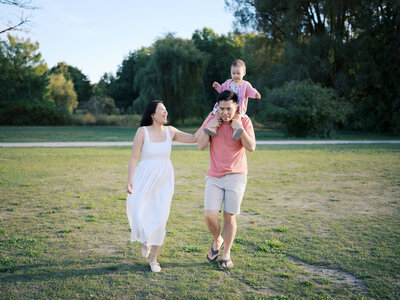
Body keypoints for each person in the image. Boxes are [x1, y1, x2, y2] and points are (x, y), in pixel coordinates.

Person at [126, 100, 197, 272]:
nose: (165, 113)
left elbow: (195, 138)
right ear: (152, 115)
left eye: (166, 110)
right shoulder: (142, 132)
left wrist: (212, 119)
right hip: (144, 178)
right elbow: (134, 156)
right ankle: (145, 240)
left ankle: (154, 260)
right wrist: (130, 179)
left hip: (164, 179)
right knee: (138, 213)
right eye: (161, 111)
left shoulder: (170, 131)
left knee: (160, 218)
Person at [197, 90, 256, 268]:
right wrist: (211, 125)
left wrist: (239, 128)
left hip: (236, 176)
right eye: (221, 109)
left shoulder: (244, 120)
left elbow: (251, 147)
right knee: (210, 216)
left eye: (228, 109)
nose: (225, 113)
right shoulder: (212, 120)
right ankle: (218, 240)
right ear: (217, 108)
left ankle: (226, 253)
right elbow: (200, 145)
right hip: (214, 176)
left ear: (236, 107)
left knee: (229, 217)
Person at [204, 59, 261, 140]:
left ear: (244, 73)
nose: (236, 75)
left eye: (238, 73)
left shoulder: (245, 85)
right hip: (226, 106)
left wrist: (255, 94)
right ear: (230, 73)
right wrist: (217, 86)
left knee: (236, 120)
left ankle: (236, 132)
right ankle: (212, 129)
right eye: (233, 73)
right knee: (217, 116)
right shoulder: (228, 83)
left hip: (237, 108)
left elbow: (251, 90)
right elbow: (222, 90)